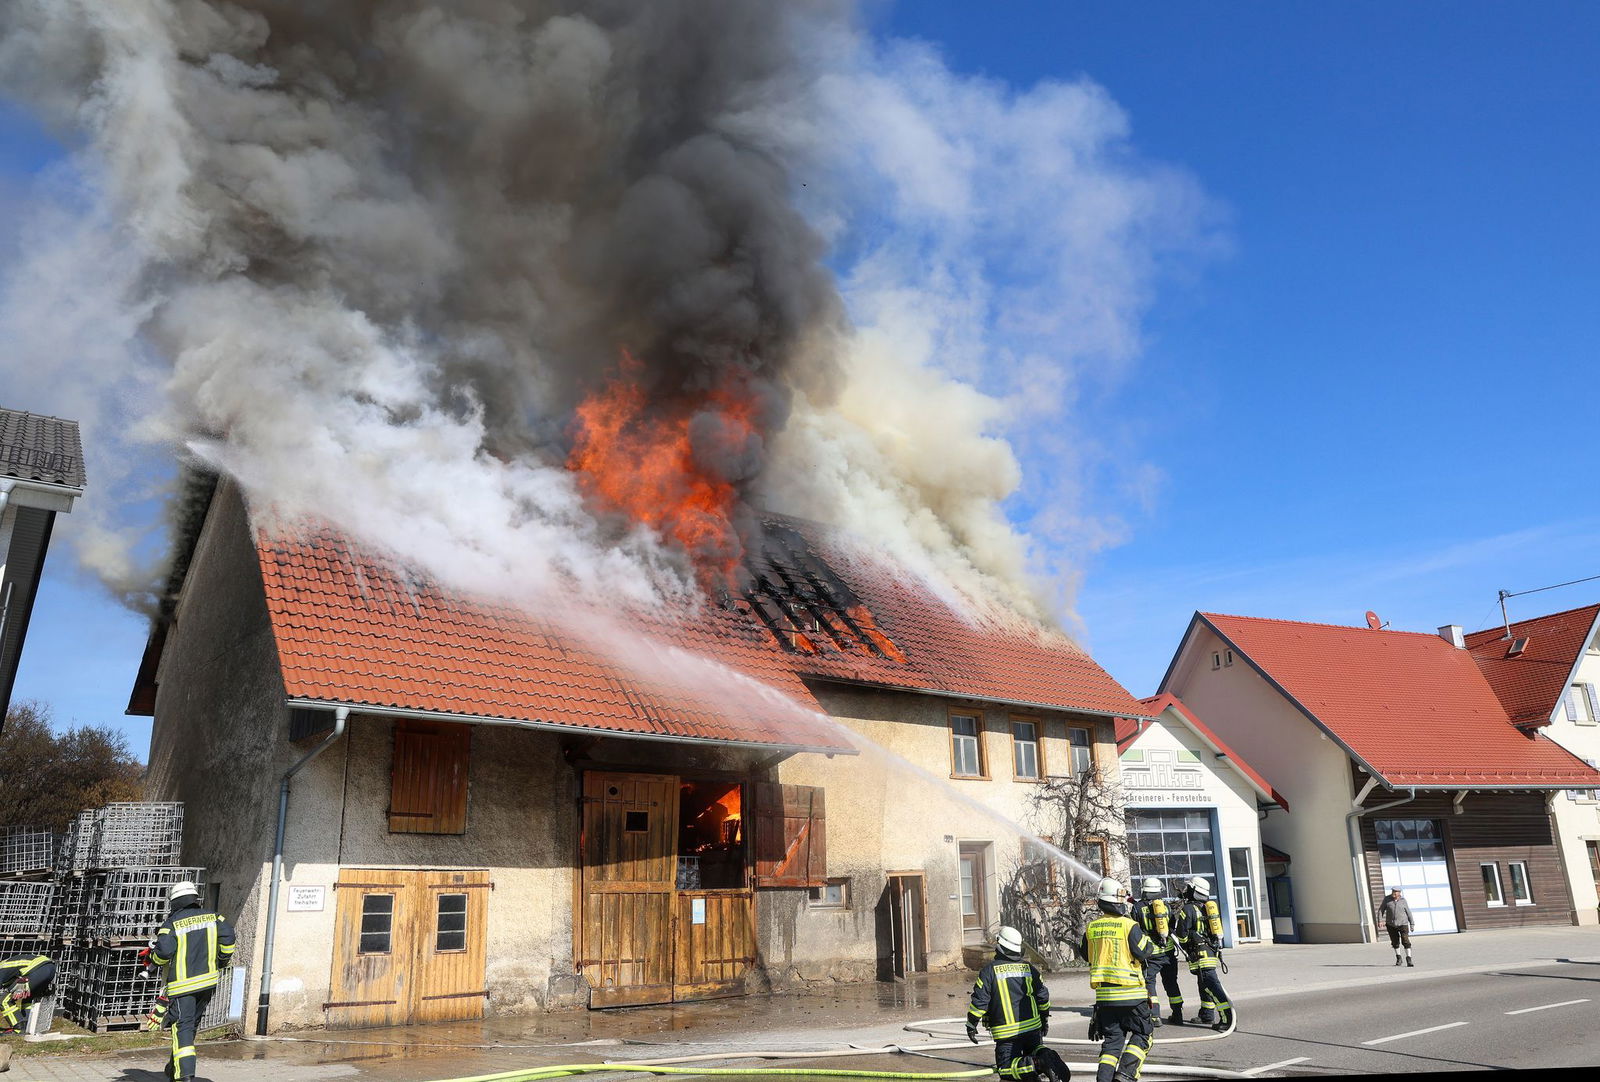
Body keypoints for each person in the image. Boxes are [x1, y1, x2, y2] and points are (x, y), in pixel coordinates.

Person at [148, 881, 235, 1082]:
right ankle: (174, 1068)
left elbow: (163, 953)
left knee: (183, 1026)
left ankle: (184, 1076)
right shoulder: (213, 917)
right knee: (189, 1026)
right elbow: (229, 936)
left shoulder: (172, 923)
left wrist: (152, 959)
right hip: (207, 983)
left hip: (183, 986)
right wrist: (221, 960)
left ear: (175, 902)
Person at [965, 926, 1068, 1081]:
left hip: (1007, 1034)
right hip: (1033, 1028)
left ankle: (1038, 1062)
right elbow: (1043, 997)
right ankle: (1045, 1055)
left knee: (1006, 1069)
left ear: (1000, 945)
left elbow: (980, 1002)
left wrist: (971, 1024)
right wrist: (1044, 1019)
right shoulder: (1029, 969)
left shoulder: (989, 972)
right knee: (1032, 1055)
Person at [1080, 878, 1156, 1082]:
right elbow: (1144, 951)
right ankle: (1125, 1074)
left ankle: (1104, 1079)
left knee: (1113, 1042)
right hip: (1132, 995)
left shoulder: (1092, 928)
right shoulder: (1129, 926)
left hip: (1105, 998)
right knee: (1143, 1035)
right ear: (1119, 902)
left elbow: (1086, 955)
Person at [1173, 876, 1232, 1031]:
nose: (1186, 891)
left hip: (1199, 955)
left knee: (1212, 987)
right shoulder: (1207, 908)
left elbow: (1182, 934)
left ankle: (1228, 1019)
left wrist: (1186, 944)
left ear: (1194, 890)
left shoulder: (1188, 909)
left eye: (1188, 888)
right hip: (1210, 953)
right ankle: (1206, 1015)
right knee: (1203, 984)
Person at [1129, 877, 1183, 1026]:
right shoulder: (1166, 906)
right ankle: (1178, 1014)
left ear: (1145, 890)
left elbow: (1135, 929)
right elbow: (1172, 927)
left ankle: (1154, 1016)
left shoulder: (1137, 907)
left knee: (1149, 984)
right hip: (1168, 951)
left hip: (1150, 953)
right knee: (1171, 983)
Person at [1378, 886, 1415, 967]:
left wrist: (1412, 924)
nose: (1394, 893)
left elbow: (1409, 912)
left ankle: (1409, 959)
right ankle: (1399, 958)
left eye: (1396, 892)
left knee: (1405, 941)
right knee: (1395, 942)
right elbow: (1381, 910)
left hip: (1403, 924)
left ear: (1399, 893)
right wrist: (1380, 920)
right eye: (1393, 891)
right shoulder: (1387, 899)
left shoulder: (1403, 901)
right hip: (1391, 924)